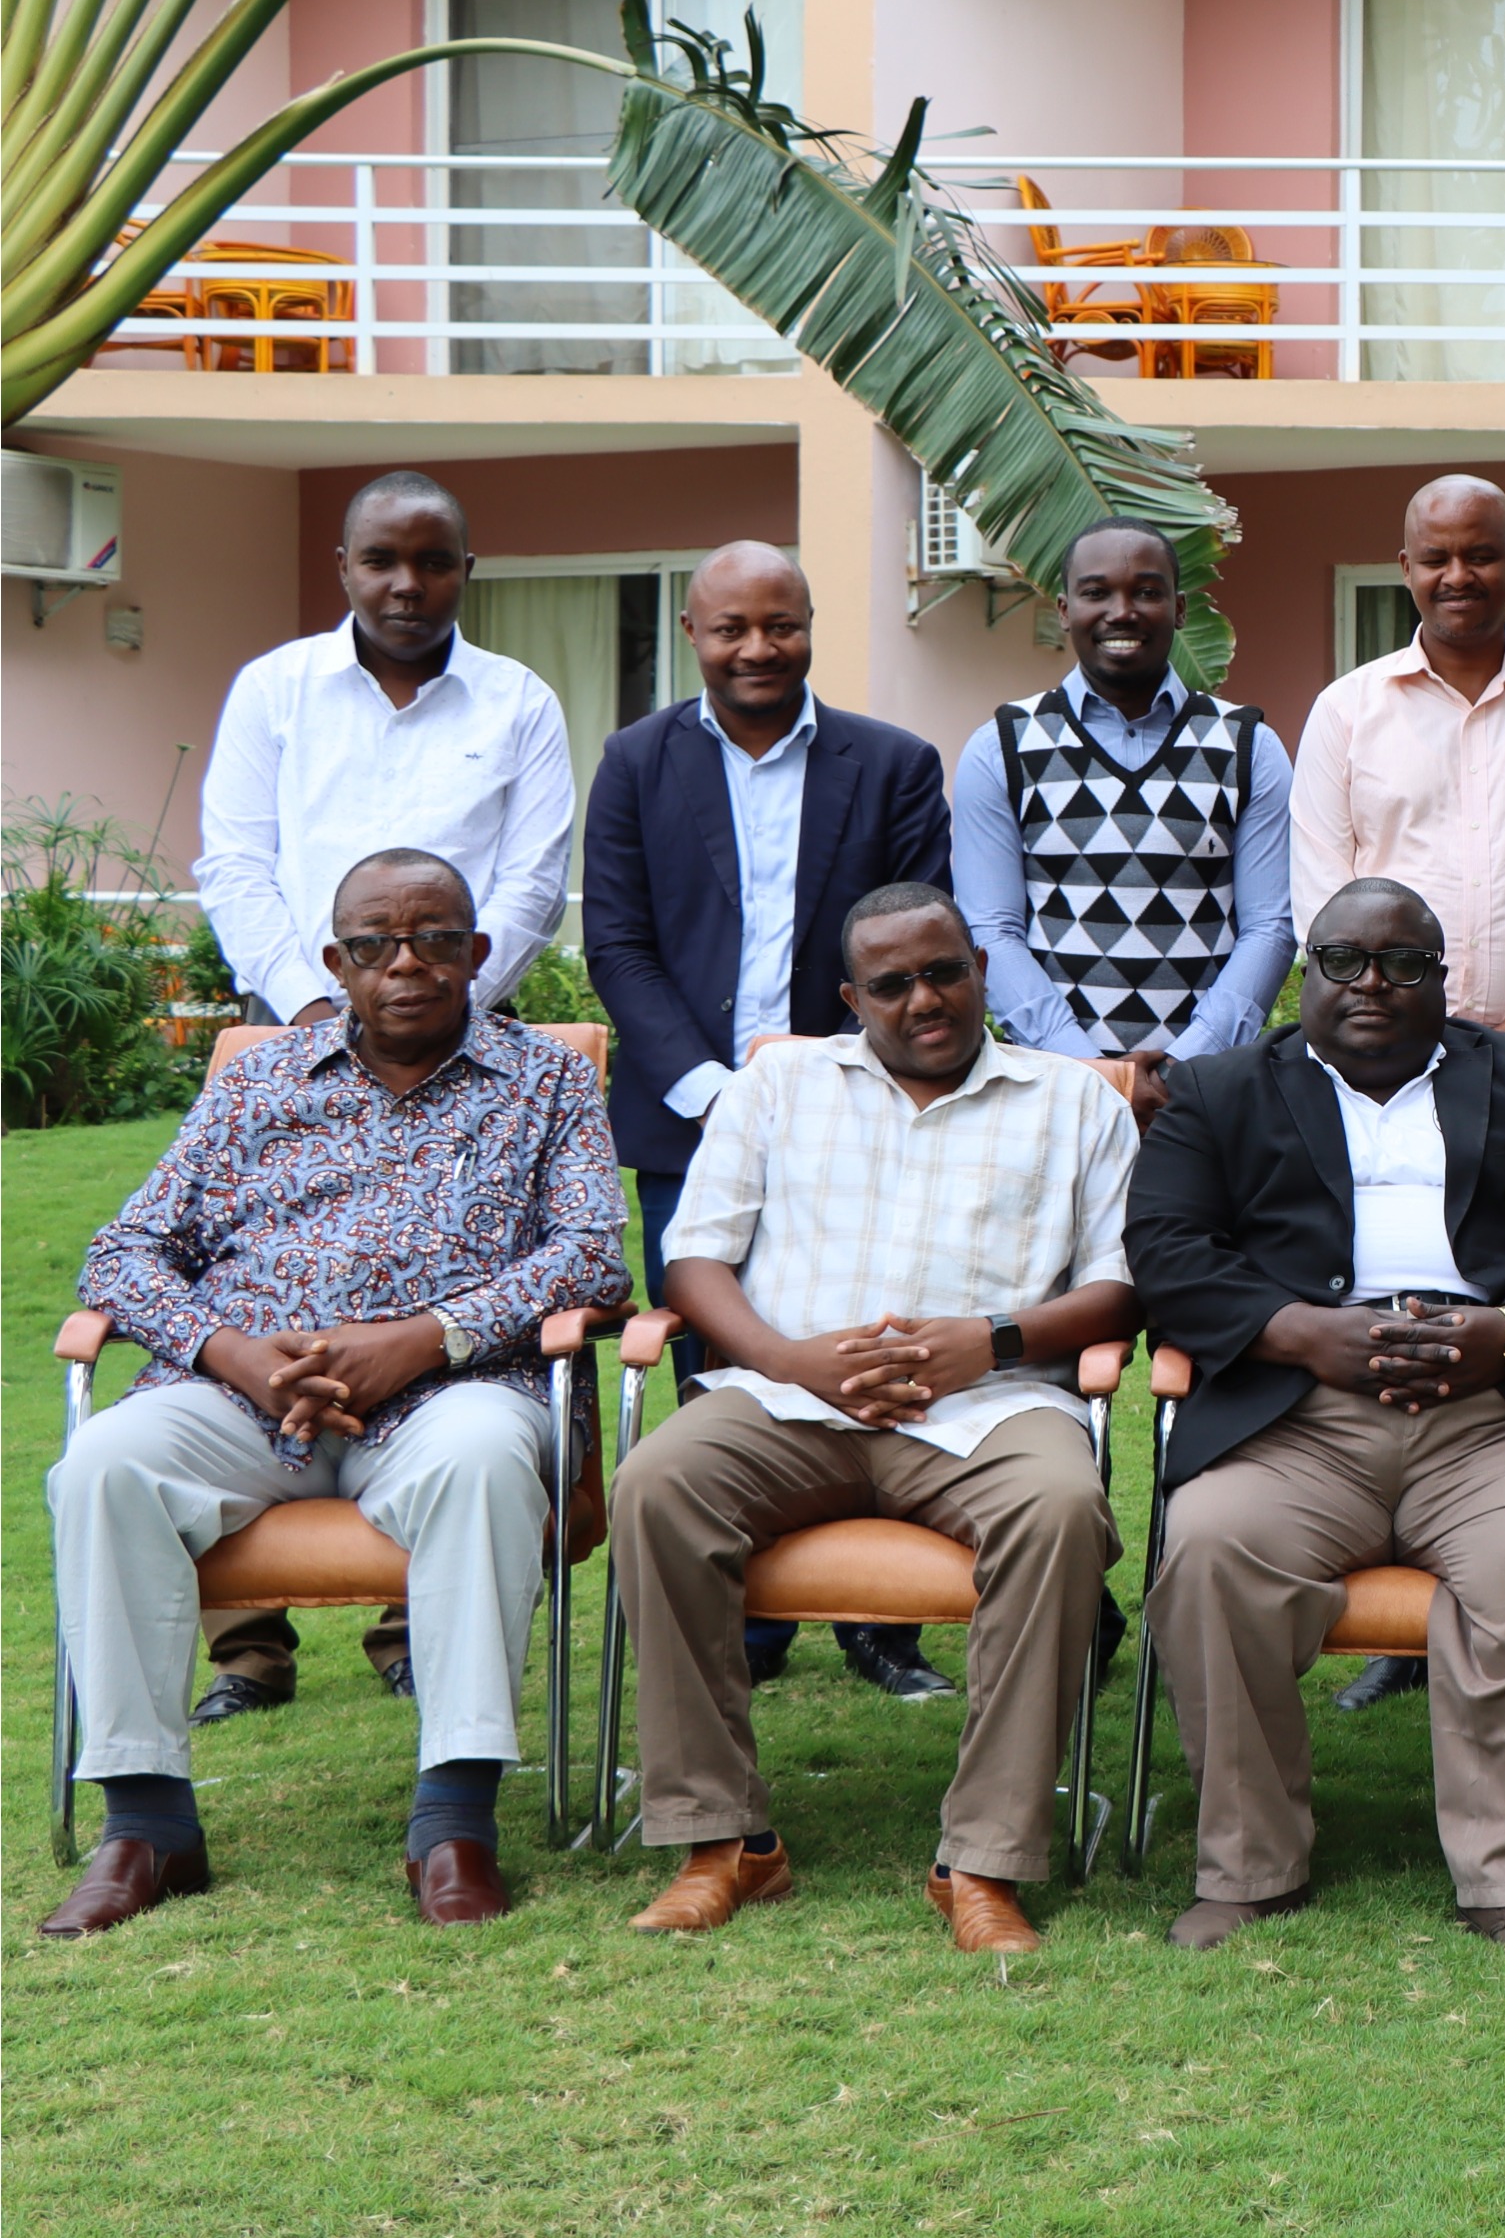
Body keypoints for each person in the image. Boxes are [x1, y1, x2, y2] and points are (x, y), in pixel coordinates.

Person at [41, 851, 626, 1939]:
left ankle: (453, 1823)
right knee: (103, 1465)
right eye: (374, 945)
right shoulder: (259, 1082)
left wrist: (421, 1340)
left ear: (476, 952)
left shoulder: (547, 1080)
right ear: (335, 962)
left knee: (485, 1459)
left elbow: (592, 1254)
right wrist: (237, 1356)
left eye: (434, 939)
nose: (406, 964)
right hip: (248, 1395)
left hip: (455, 1389)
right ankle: (146, 1823)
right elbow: (123, 1253)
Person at [604, 886, 1140, 1954]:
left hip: (991, 1405)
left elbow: (1121, 1287)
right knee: (658, 1483)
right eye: (892, 984)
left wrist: (987, 1341)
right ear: (853, 999)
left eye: (944, 971)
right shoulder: (777, 1084)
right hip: (791, 1398)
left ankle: (983, 1860)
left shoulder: (1076, 1100)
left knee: (1060, 1506)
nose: (924, 999)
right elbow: (693, 1258)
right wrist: (789, 1358)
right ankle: (724, 1842)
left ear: (979, 966)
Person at [1123, 879, 1505, 1965]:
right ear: (1304, 972)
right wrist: (1303, 1334)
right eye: (1344, 960)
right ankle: (1247, 1867)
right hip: (1298, 1414)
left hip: (1492, 1410)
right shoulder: (1218, 1090)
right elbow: (1167, 1248)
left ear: (1442, 978)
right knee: (1212, 1548)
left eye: (1403, 963)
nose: (1372, 983)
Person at [187, 470, 574, 1719]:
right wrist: (321, 1004)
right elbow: (234, 859)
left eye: (433, 559)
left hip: (458, 1041)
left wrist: (437, 994)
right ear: (343, 567)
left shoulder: (517, 700)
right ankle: (250, 1643)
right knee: (257, 1274)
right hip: (298, 1029)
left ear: (467, 568)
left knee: (433, 1279)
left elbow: (533, 878)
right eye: (381, 560)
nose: (407, 583)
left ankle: (417, 1617)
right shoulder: (276, 688)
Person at [582, 541, 962, 1702]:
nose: (757, 647)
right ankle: (742, 1616)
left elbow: (915, 937)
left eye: (780, 624)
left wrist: (828, 1080)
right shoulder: (636, 762)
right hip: (689, 1118)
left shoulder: (890, 764)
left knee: (870, 1340)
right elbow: (619, 945)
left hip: (864, 1115)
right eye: (731, 628)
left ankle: (879, 1621)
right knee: (718, 1355)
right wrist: (717, 1090)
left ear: (809, 625)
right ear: (691, 633)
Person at [1288, 474, 1505, 1081]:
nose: (1458, 576)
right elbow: (1322, 893)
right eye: (1436, 559)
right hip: (1383, 1055)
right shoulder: (1345, 711)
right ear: (1407, 569)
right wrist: (1386, 1008)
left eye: (1480, 556)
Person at [951, 519, 1297, 1132]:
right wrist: (1087, 1069)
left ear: (1179, 608)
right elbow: (991, 931)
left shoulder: (1248, 746)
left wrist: (1188, 1066)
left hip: (1207, 1097)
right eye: (1096, 592)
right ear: (1064, 610)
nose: (1122, 611)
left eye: (1146, 591)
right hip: (1051, 1093)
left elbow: (1270, 927)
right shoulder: (1002, 746)